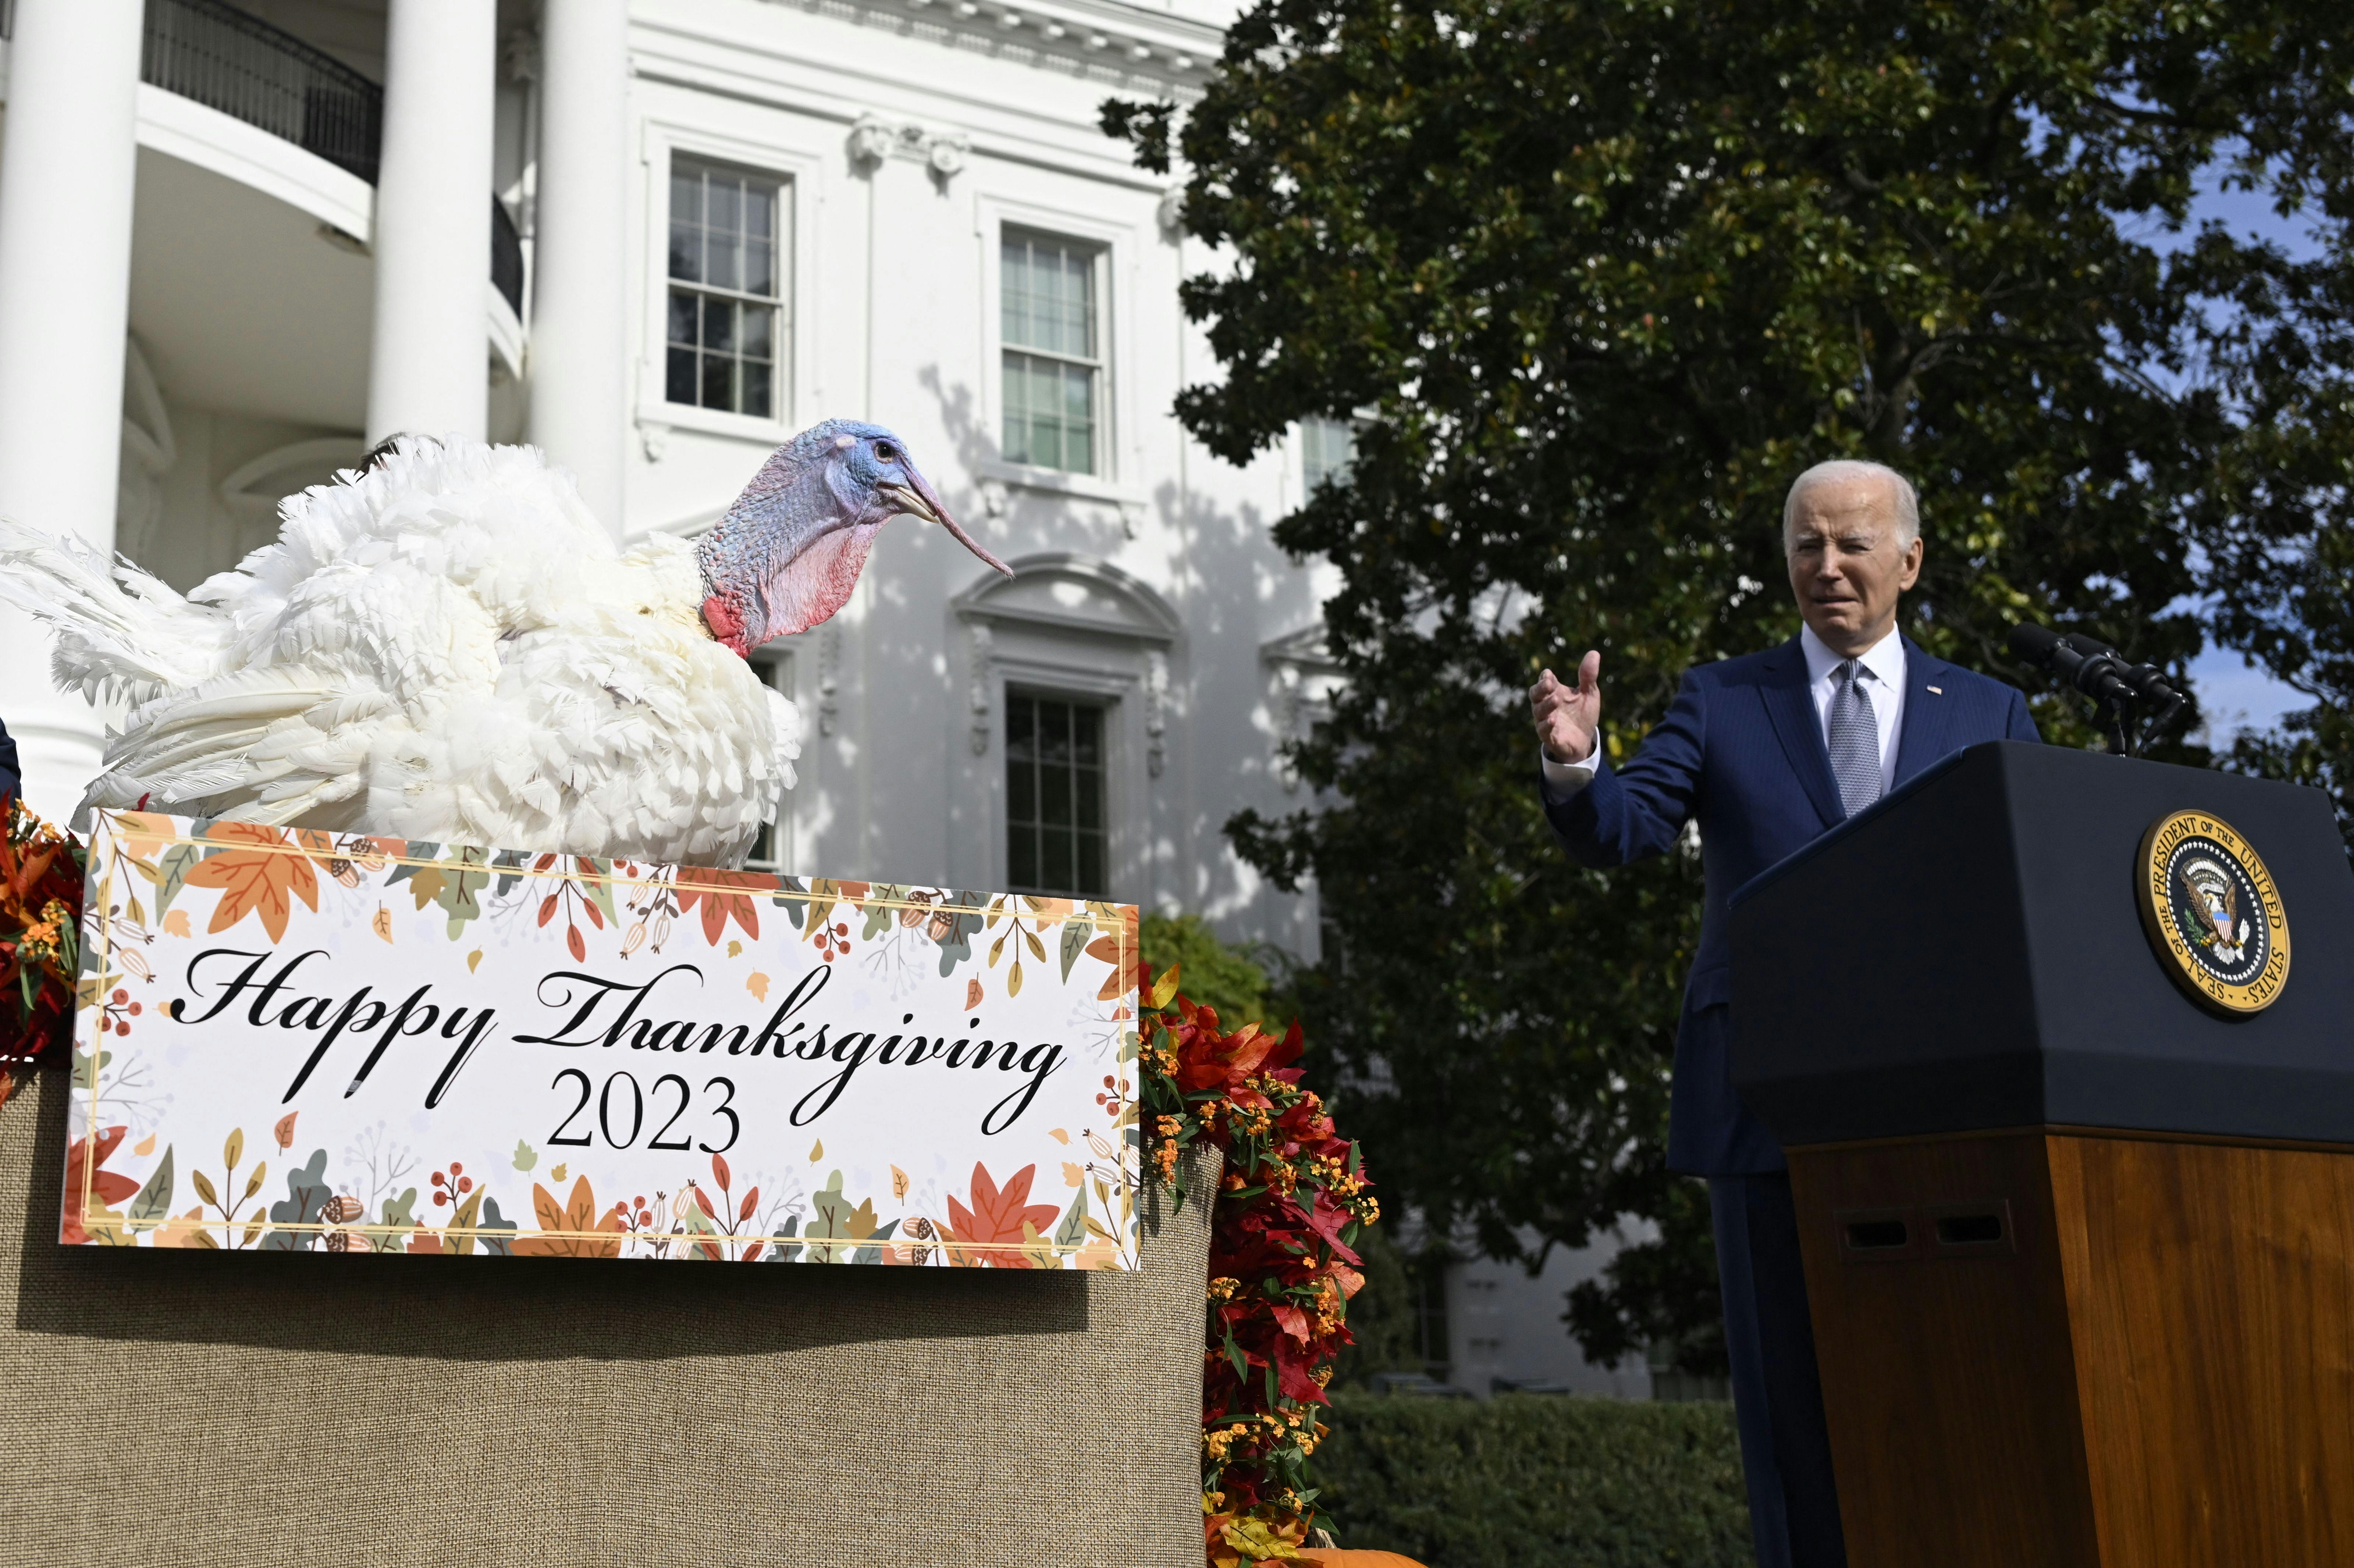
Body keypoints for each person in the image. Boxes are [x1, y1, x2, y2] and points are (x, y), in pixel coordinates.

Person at [1527, 460, 2040, 1568]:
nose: (1828, 566)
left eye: (1854, 544)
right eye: (1807, 545)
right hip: (1765, 1101)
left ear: (1909, 561)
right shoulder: (1726, 696)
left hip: (1947, 1104)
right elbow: (1631, 828)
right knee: (1791, 1412)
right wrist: (1578, 770)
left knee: (1952, 1388)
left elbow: (2031, 895)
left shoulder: (1992, 712)